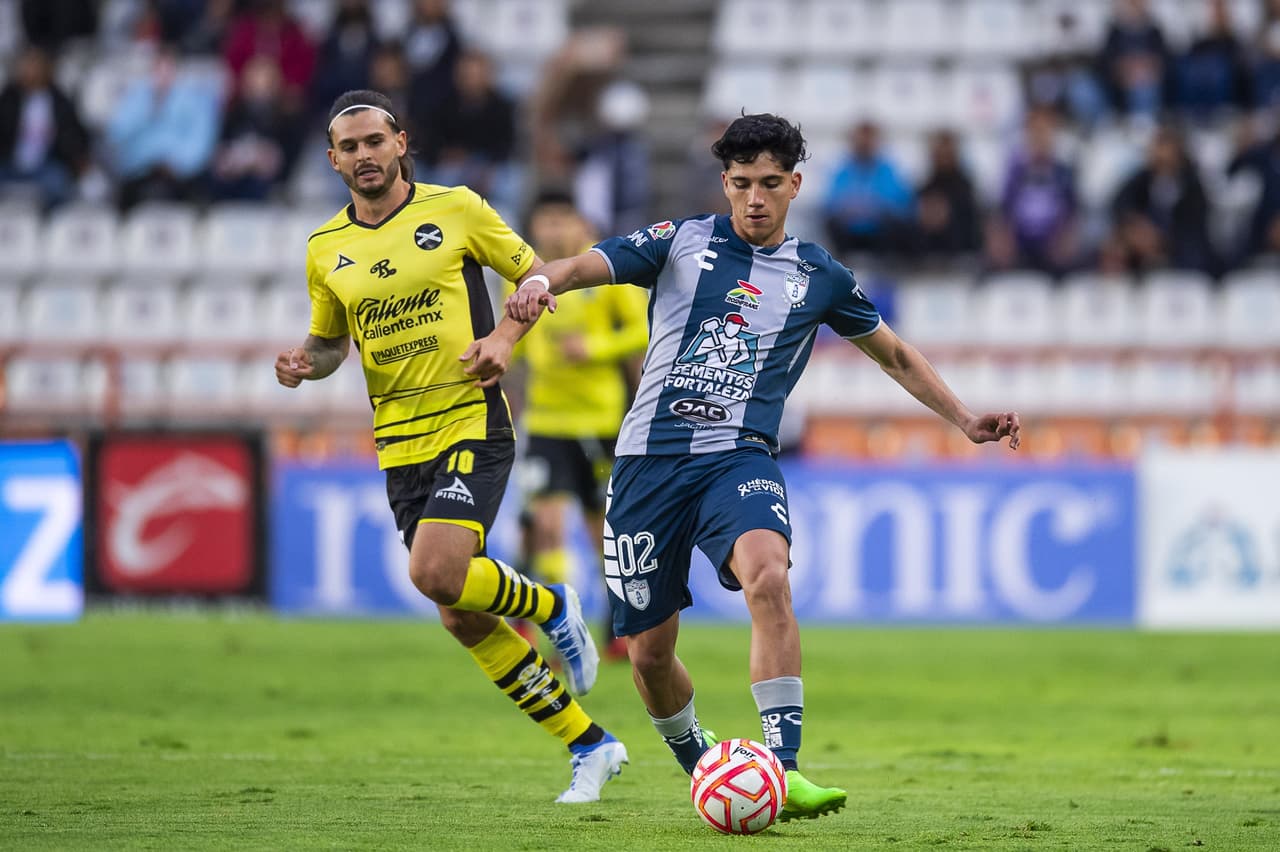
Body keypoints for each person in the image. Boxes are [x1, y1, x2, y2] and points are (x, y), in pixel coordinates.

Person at [506, 113, 1021, 821]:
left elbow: (894, 354)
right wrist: (542, 284)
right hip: (646, 465)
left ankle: (782, 767)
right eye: (742, 183)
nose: (754, 197)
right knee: (649, 654)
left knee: (769, 578)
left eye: (770, 184)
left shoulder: (819, 275)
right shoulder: (681, 240)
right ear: (724, 182)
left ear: (795, 186)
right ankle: (703, 764)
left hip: (738, 458)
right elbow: (580, 265)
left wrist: (965, 419)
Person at [274, 90, 627, 804]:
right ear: (332, 159)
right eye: (350, 146)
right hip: (398, 443)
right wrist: (302, 365)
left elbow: (534, 278)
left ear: (401, 142)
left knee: (435, 572)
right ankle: (592, 745)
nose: (364, 155)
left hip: (472, 420)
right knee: (459, 611)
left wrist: (501, 339)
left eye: (376, 140)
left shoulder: (457, 208)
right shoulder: (324, 249)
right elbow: (331, 344)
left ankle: (553, 603)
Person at [512, 190, 649, 659]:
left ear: (577, 221)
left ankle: (616, 627)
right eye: (543, 220)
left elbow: (641, 330)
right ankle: (561, 626)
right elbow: (517, 344)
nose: (551, 229)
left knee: (601, 533)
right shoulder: (524, 277)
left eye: (559, 218)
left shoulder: (601, 274)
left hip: (599, 422)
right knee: (546, 526)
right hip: (547, 421)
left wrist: (592, 347)